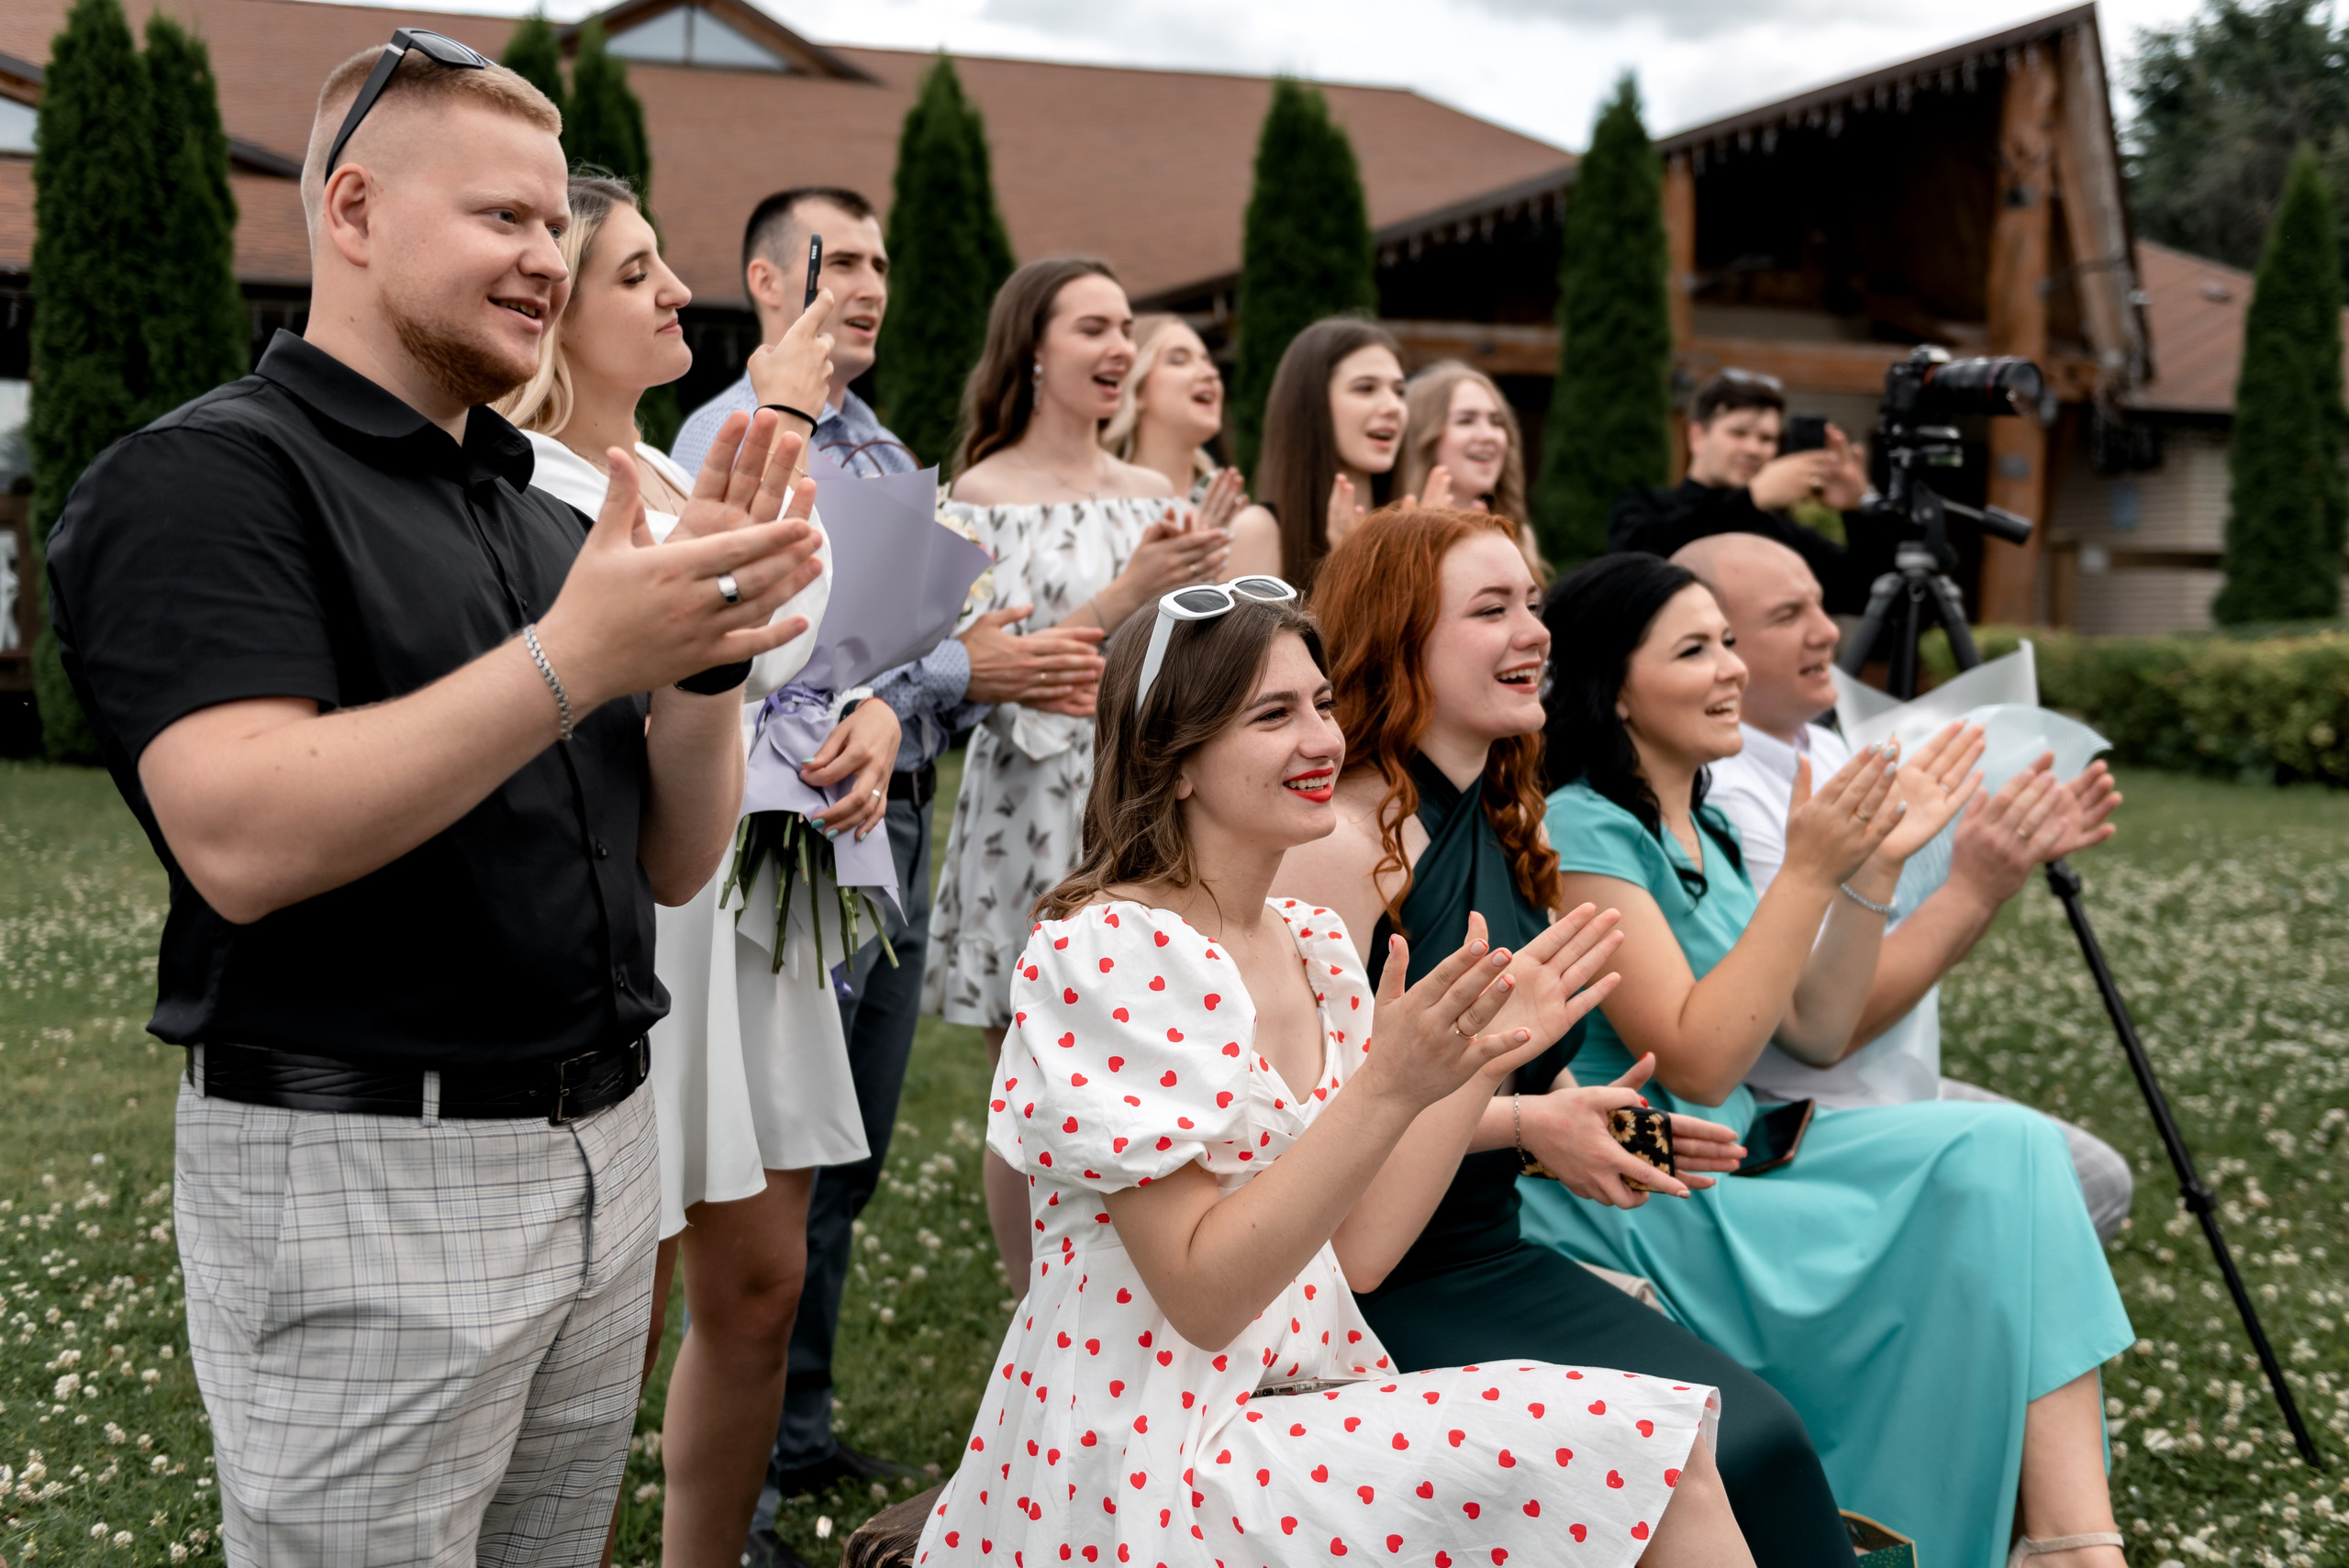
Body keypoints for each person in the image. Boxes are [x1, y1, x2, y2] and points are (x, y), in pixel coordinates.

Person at [43, 38, 827, 1565]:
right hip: (365, 1174)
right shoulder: (205, 481)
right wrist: (576, 653)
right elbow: (244, 833)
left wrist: (708, 666)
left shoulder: (542, 509)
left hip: (604, 1147)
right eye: (502, 220)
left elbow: (673, 859)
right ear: (350, 210)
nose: (546, 257)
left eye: (555, 223)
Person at [918, 584, 1753, 1567]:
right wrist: (1390, 1085)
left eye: (1320, 704)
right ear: (1172, 758)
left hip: (1295, 1406)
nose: (1322, 739)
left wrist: (1474, 1063)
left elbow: (1357, 1254)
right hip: (1147, 1453)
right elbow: (1202, 1294)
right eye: (1273, 715)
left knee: (1661, 1450)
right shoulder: (1110, 950)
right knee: (1646, 1452)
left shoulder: (1311, 945)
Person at [1520, 552, 2134, 1568]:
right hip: (1655, 1189)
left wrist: (1879, 865)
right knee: (2002, 1155)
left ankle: (2072, 1542)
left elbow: (1814, 1021)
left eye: (1726, 641)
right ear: (1615, 688)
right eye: (1692, 649)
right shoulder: (1582, 824)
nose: (1727, 670)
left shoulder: (1702, 818)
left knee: (2013, 1155)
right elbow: (1704, 1060)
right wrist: (1811, 868)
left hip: (1744, 1156)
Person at [1274, 507, 1854, 1565]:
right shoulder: (1343, 847)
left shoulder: (1509, 818)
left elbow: (1457, 1099)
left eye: (1533, 602)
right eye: (1491, 608)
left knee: (1764, 1436)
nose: (1534, 631)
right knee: (1741, 1440)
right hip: (1366, 1292)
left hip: (1491, 1244)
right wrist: (1512, 1092)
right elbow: (1322, 1140)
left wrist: (1552, 1125)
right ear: (1398, 638)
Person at [673, 188, 1111, 1541]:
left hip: (891, 808)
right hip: (782, 821)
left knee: (839, 1152)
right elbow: (773, 636)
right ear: (762, 276)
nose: (865, 284)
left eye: (879, 260)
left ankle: (791, 1431)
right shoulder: (729, 432)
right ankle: (730, 1465)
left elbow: (919, 626)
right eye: (835, 260)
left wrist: (970, 662)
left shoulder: (884, 448)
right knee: (753, 1168)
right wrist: (957, 663)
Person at [495, 172, 898, 1568]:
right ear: (555, 316)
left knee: (762, 1282)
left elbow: (793, 646)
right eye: (637, 275)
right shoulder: (531, 485)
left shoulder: (672, 463)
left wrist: (882, 705)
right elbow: (683, 631)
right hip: (650, 914)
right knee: (618, 1308)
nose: (678, 292)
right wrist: (784, 410)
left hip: (752, 918)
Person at [1674, 531, 2134, 1240]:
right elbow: (1826, 1026)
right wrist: (1975, 888)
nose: (1828, 632)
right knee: (2087, 1182)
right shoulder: (1725, 794)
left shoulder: (1822, 745)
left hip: (1885, 1084)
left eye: (1822, 607)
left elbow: (1898, 921)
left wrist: (1993, 859)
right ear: (1715, 645)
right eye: (1787, 615)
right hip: (1806, 1110)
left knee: (2081, 1181)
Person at [925, 256, 1229, 1279]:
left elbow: (1194, 667)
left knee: (1161, 1061)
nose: (1116, 350)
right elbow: (997, 686)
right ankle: (1036, 1303)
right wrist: (1129, 590)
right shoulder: (977, 497)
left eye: (1123, 330)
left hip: (1158, 812)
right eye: (1091, 328)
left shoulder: (1157, 494)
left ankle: (1150, 1284)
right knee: (1036, 1077)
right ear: (1033, 350)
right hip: (1033, 817)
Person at [1607, 371, 1873, 612]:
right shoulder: (1646, 507)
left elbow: (1864, 594)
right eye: (1738, 433)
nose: (1753, 449)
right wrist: (1751, 498)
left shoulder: (1781, 532)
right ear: (1697, 437)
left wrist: (1860, 509)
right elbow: (1639, 569)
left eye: (1766, 439)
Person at [1227, 317, 1407, 588]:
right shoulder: (1257, 532)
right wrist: (1347, 570)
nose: (1393, 406)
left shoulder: (1408, 526)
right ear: (1311, 405)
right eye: (1366, 388)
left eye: (1400, 391)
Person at [1397, 360, 1543, 577]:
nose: (1487, 435)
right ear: (1424, 436)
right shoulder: (1394, 532)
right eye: (1466, 421)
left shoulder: (1520, 534)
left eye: (1496, 422)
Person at [1099, 311, 1247, 527]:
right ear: (1137, 388)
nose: (1210, 373)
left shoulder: (1232, 509)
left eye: (1208, 361)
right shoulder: (1106, 508)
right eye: (1179, 361)